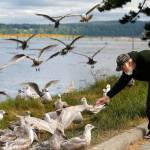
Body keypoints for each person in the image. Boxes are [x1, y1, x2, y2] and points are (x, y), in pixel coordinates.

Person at [96, 50, 150, 139]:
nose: (123, 70)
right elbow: (121, 83)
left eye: (123, 68)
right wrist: (107, 96)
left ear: (129, 62)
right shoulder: (129, 71)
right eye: (121, 69)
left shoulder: (145, 57)